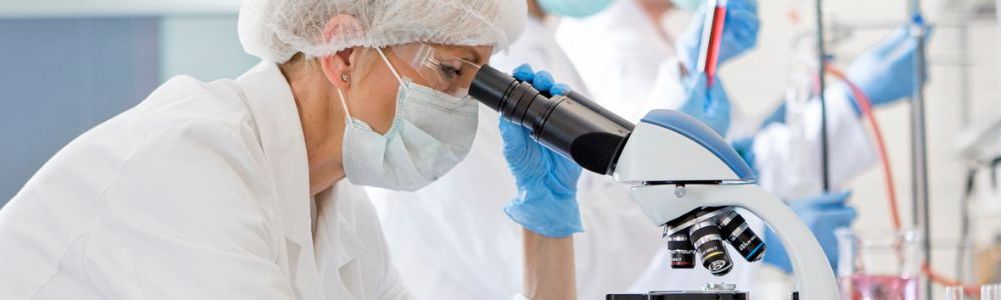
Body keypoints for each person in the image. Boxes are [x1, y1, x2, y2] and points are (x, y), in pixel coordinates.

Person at [0, 0, 583, 299]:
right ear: (345, 53)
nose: (462, 105)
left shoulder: (339, 211)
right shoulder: (191, 164)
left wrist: (546, 230)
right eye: (453, 72)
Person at [553, 0, 929, 295]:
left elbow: (736, 156)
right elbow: (650, 205)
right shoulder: (615, 49)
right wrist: (854, 97)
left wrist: (806, 102)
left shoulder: (656, 37)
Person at [364, 0, 665, 299]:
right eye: (452, 69)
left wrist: (550, 218)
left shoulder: (498, 50)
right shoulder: (433, 113)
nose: (467, 81)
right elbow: (526, 269)